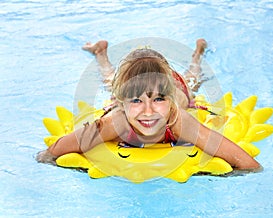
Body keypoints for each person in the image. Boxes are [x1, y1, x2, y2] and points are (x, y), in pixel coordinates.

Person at [36, 38, 261, 171]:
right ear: (122, 103)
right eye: (136, 101)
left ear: (168, 99)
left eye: (159, 99)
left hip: (176, 86)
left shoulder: (178, 119)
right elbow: (56, 149)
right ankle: (100, 53)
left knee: (193, 81)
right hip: (128, 87)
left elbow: (244, 161)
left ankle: (198, 54)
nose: (148, 111)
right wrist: (46, 158)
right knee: (109, 80)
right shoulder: (114, 122)